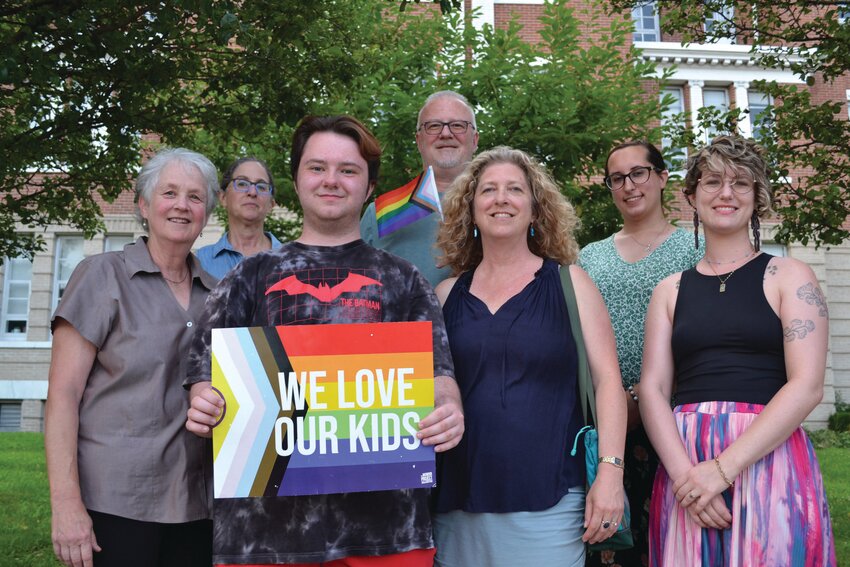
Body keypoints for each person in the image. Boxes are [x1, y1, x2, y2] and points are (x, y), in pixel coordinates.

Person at [184, 115, 464, 566]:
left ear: (369, 187)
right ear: (296, 181)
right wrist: (204, 398)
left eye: (348, 170)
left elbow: (438, 378)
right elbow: (203, 370)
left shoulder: (404, 279)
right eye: (317, 168)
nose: (331, 180)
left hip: (384, 531)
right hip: (266, 536)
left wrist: (448, 411)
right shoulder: (249, 276)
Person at [641, 135, 836, 566]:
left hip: (767, 454)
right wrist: (687, 480)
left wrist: (723, 469)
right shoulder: (669, 291)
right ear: (691, 196)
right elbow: (653, 388)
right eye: (712, 182)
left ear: (757, 197)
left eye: (740, 183)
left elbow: (806, 387)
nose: (726, 193)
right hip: (685, 460)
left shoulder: (791, 275)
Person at [432, 146, 627, 566]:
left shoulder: (571, 284)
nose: (501, 198)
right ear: (471, 210)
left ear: (536, 210)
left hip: (550, 499)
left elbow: (607, 381)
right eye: (488, 190)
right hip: (456, 501)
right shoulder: (445, 296)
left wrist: (611, 473)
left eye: (515, 189)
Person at [44, 148, 219, 567]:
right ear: (143, 204)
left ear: (208, 212)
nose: (182, 205)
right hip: (116, 501)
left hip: (198, 504)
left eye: (195, 197)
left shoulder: (218, 293)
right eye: (169, 192)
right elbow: (62, 395)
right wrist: (66, 505)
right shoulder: (102, 275)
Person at [578, 140, 703, 566]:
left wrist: (643, 397)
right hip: (606, 424)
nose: (628, 185)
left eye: (639, 173)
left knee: (669, 541)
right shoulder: (589, 257)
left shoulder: (696, 251)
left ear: (663, 177)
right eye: (617, 178)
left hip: (676, 421)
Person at [360, 90, 479, 286]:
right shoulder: (383, 213)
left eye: (458, 125)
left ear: (475, 140)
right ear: (418, 141)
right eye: (433, 126)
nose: (446, 134)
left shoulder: (499, 206)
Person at [196, 157, 283, 279]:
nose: (252, 192)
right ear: (223, 198)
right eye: (242, 183)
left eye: (262, 186)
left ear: (271, 204)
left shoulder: (292, 261)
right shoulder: (200, 261)